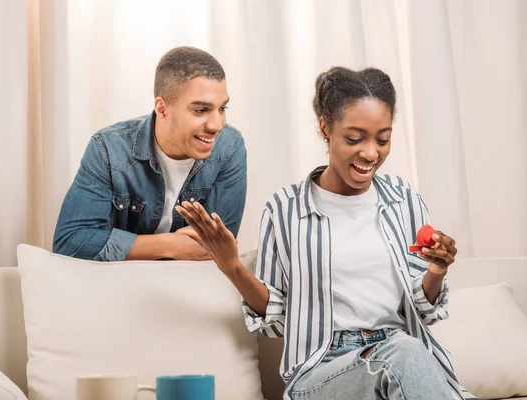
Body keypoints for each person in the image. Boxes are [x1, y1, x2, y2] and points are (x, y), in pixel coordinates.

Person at [175, 66, 476, 399]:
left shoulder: (403, 198)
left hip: (402, 355)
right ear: (325, 128)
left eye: (383, 139)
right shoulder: (285, 208)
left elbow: (425, 310)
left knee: (403, 353)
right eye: (354, 138)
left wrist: (436, 271)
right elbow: (276, 321)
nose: (371, 153)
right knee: (402, 354)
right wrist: (232, 266)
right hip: (322, 370)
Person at [53, 46, 247, 262]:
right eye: (200, 110)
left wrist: (125, 246)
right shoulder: (108, 149)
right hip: (118, 285)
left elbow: (215, 250)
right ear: (162, 108)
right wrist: (169, 245)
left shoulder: (229, 148)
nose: (216, 125)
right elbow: (70, 243)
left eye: (222, 109)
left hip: (186, 285)